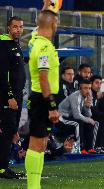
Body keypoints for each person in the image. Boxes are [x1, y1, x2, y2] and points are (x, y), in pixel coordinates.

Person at [25, 9, 60, 189]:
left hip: (39, 98)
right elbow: (44, 77)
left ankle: (35, 184)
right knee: (37, 143)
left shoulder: (34, 40)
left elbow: (39, 25)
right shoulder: (44, 47)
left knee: (42, 143)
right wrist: (52, 106)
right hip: (42, 100)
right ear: (53, 25)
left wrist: (48, 6)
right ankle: (33, 186)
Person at [0, 16, 26, 179]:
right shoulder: (3, 45)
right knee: (6, 132)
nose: (18, 29)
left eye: (21, 27)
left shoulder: (15, 45)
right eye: (15, 27)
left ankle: (4, 165)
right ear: (8, 28)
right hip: (7, 97)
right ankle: (2, 168)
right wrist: (9, 96)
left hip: (17, 94)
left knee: (11, 132)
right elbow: (1, 74)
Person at [58, 79, 97, 154]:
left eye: (89, 88)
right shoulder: (75, 96)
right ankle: (80, 148)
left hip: (71, 117)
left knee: (91, 123)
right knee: (78, 123)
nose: (88, 90)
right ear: (80, 89)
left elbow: (89, 115)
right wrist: (89, 120)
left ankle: (89, 148)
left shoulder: (88, 95)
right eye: (85, 88)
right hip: (61, 118)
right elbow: (77, 115)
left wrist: (88, 106)